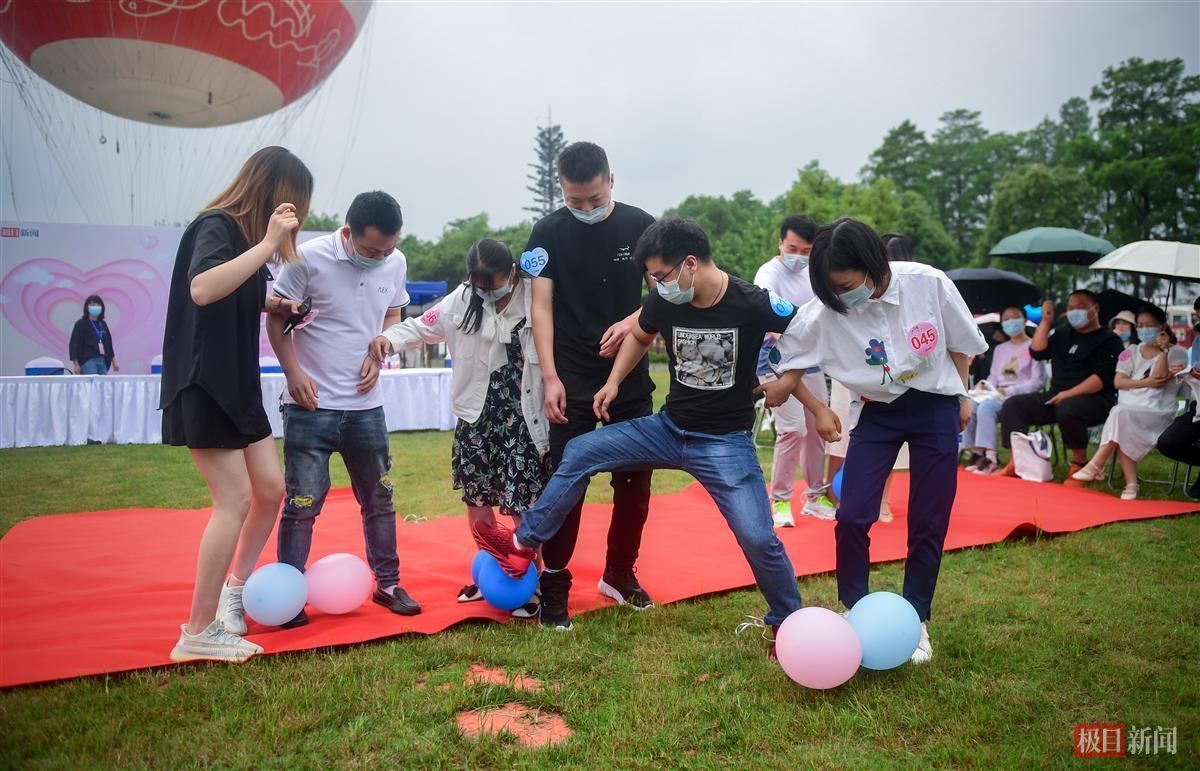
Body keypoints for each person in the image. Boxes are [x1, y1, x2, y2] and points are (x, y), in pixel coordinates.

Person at [472, 217, 803, 656]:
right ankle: (521, 544)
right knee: (580, 450)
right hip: (667, 430)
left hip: (725, 442)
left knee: (758, 536)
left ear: (690, 264)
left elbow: (808, 330)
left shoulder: (752, 301)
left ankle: (790, 621)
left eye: (661, 276)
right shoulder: (665, 300)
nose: (656, 285)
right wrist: (612, 382)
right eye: (651, 277)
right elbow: (640, 336)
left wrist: (791, 379)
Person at [761, 218, 988, 664]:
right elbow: (785, 363)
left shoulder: (929, 284)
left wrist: (962, 395)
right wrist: (819, 407)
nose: (841, 297)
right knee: (852, 515)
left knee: (928, 518)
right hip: (877, 413)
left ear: (873, 265)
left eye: (846, 285)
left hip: (935, 406)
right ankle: (857, 609)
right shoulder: (827, 308)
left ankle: (916, 618)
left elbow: (962, 343)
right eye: (830, 289)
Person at [159, 146, 312, 662]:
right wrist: (268, 242)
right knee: (235, 500)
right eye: (294, 207)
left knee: (270, 490)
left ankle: (234, 590)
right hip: (206, 384)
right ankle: (196, 631)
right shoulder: (217, 226)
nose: (293, 223)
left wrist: (275, 302)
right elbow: (203, 288)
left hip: (239, 387)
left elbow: (237, 290)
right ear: (274, 194)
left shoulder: (246, 243)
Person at [370, 239, 548, 618]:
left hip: (521, 416)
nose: (487, 292)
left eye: (495, 284)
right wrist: (388, 338)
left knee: (522, 503)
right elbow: (420, 327)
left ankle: (537, 583)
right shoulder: (462, 300)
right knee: (478, 500)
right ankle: (492, 572)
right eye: (480, 286)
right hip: (475, 416)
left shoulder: (534, 294)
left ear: (512, 272)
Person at [267, 191, 421, 627]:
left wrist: (381, 349)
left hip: (366, 407)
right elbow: (275, 319)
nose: (380, 257)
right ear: (348, 233)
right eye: (371, 249)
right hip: (309, 406)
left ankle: (388, 585)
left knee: (380, 499)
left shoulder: (396, 261)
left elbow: (394, 314)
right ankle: (289, 595)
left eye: (388, 248)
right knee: (302, 504)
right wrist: (293, 373)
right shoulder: (307, 258)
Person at [522, 141, 657, 631]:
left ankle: (620, 575)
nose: (585, 209)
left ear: (611, 180)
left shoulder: (643, 226)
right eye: (575, 201)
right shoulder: (546, 233)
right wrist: (550, 377)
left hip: (630, 376)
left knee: (635, 485)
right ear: (561, 189)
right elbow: (540, 307)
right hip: (570, 379)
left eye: (595, 200)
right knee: (566, 484)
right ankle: (554, 589)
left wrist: (635, 319)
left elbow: (666, 296)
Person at [753, 214, 835, 525]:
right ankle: (781, 502)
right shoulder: (768, 274)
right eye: (793, 248)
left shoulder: (815, 274)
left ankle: (815, 496)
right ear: (780, 243)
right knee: (793, 430)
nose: (798, 257)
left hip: (809, 360)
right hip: (773, 359)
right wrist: (791, 341)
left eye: (805, 251)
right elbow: (769, 320)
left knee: (818, 428)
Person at [997, 291, 1124, 478]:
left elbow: (1100, 379)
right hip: (1056, 395)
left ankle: (1079, 462)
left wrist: (1069, 394)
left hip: (1095, 399)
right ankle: (1017, 461)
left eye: (1080, 307)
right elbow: (1037, 352)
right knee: (1014, 405)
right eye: (1070, 308)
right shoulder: (1063, 334)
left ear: (1095, 309)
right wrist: (1046, 322)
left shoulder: (1109, 339)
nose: (1074, 312)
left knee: (1068, 407)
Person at [1069, 306, 1184, 498]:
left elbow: (1160, 379)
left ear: (1162, 327)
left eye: (1150, 325)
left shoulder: (1177, 353)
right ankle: (1130, 484)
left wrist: (1163, 350)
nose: (1144, 329)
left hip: (1157, 413)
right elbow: (1118, 381)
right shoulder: (1130, 351)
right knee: (1122, 416)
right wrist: (1144, 383)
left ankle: (1097, 465)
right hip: (1128, 410)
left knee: (1120, 415)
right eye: (1140, 325)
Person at [960, 306, 1046, 474]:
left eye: (1015, 316)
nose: (1011, 321)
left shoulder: (1033, 346)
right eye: (1006, 319)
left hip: (1019, 397)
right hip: (997, 393)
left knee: (986, 408)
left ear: (1023, 319)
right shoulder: (1000, 349)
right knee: (972, 405)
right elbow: (994, 377)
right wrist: (984, 389)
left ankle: (991, 458)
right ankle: (976, 454)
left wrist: (1008, 391)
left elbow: (1038, 381)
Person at [69, 295, 120, 374]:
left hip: (103, 360)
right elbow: (74, 344)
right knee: (92, 384)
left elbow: (108, 343)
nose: (95, 307)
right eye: (92, 305)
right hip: (88, 361)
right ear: (87, 307)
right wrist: (76, 364)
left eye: (98, 305)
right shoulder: (81, 324)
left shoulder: (102, 324)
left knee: (102, 385)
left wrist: (114, 361)